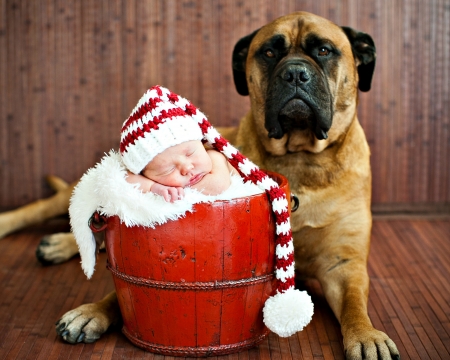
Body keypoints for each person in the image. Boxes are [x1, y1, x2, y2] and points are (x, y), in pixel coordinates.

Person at [119, 85, 237, 202]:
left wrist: (178, 191)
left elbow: (218, 186)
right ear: (144, 175)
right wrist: (153, 187)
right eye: (168, 170)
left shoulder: (215, 156)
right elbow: (122, 179)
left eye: (190, 153)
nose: (186, 168)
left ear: (200, 143)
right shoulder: (147, 177)